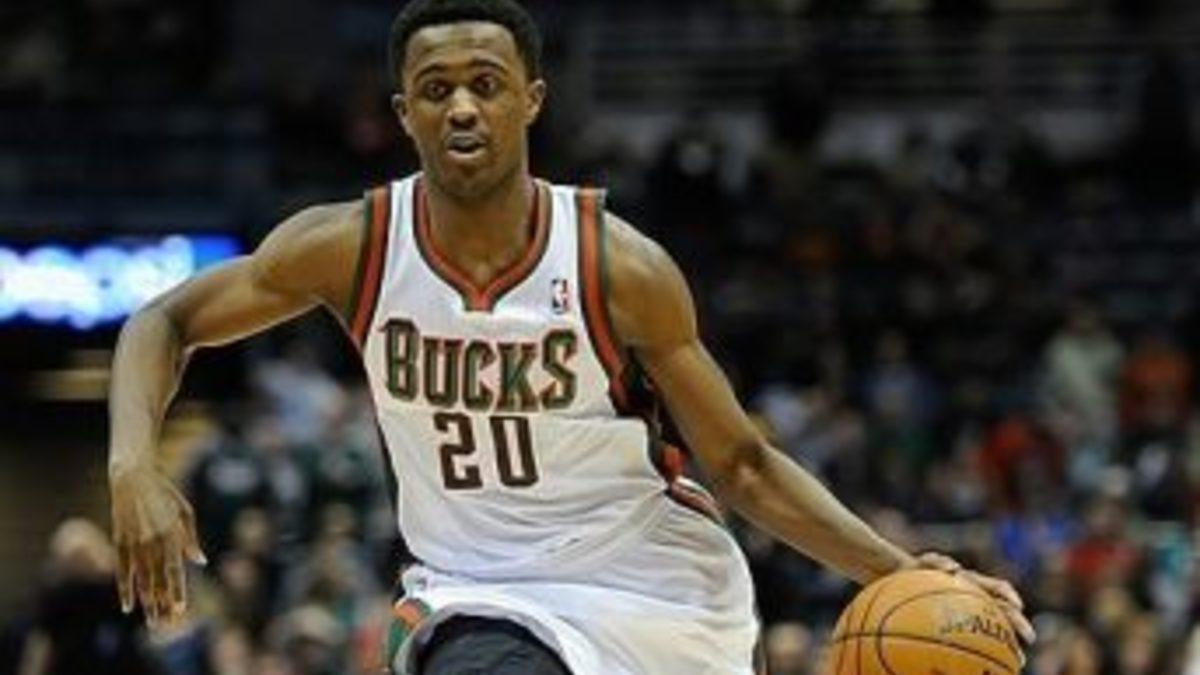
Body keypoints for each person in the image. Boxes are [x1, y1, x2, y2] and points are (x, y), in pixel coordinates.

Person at [106, 1, 1035, 673]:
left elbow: (743, 464)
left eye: (485, 85)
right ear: (402, 113)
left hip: (660, 591)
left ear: (532, 100)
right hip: (479, 592)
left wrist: (897, 567)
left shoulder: (617, 266)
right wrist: (132, 465)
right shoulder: (352, 248)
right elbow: (165, 320)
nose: (461, 107)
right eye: (435, 89)